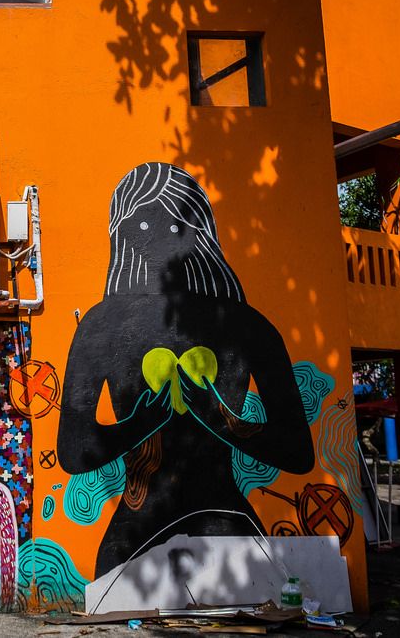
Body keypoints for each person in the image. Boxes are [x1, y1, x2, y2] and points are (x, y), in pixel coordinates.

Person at [57, 162, 314, 578]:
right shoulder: (100, 325)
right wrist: (142, 422)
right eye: (140, 227)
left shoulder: (248, 325)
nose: (159, 239)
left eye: (178, 227)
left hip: (225, 524)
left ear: (201, 234)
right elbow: (73, 451)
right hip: (136, 533)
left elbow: (298, 452)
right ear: (120, 236)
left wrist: (221, 420)